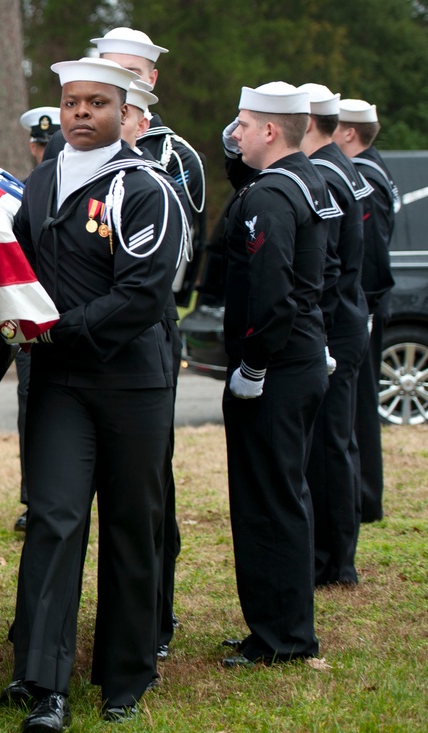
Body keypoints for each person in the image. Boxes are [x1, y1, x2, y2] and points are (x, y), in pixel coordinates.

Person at [1, 57, 185, 729]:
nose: (81, 113)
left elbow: (141, 295)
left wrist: (55, 332)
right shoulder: (41, 182)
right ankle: (43, 681)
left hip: (132, 381)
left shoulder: (145, 187)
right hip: (58, 384)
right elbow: (15, 270)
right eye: (72, 102)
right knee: (53, 518)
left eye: (96, 103)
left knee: (135, 524)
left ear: (124, 112)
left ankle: (126, 673)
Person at [92, 26, 203, 661]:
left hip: (148, 327)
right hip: (84, 328)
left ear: (151, 81)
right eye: (108, 68)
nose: (118, 78)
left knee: (145, 485)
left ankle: (152, 617)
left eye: (130, 71)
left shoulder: (174, 155)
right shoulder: (75, 142)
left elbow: (179, 252)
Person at [219, 81, 337, 668]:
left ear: (270, 130)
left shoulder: (271, 195)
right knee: (284, 493)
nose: (234, 133)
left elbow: (272, 291)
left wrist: (252, 366)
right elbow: (333, 271)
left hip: (276, 368)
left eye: (242, 124)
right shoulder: (307, 180)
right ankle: (280, 627)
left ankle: (280, 638)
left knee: (268, 500)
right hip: (301, 357)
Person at [299, 84, 371, 586]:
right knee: (337, 443)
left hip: (332, 326)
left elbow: (324, 266)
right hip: (346, 318)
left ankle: (331, 561)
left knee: (327, 447)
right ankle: (335, 555)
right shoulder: (341, 165)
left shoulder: (322, 173)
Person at [332, 99, 399, 523]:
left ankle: (365, 497)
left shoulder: (365, 177)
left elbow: (371, 255)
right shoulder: (371, 169)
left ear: (349, 133)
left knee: (358, 409)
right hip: (366, 306)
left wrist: (367, 307)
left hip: (365, 306)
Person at [11, 106, 61, 535]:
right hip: (34, 319)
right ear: (33, 146)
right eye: (42, 144)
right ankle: (35, 497)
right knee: (32, 407)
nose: (47, 150)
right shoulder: (21, 193)